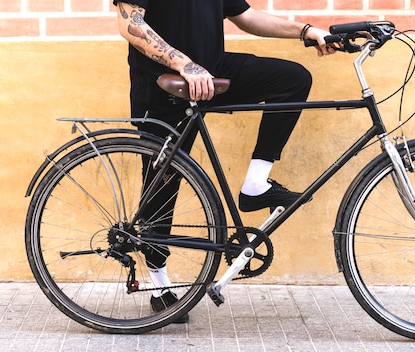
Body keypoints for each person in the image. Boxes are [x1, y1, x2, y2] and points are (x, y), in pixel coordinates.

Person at [113, 0, 336, 323]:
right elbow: (130, 25)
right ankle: (160, 287)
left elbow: (246, 17)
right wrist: (184, 64)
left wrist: (307, 31)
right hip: (163, 85)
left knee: (292, 78)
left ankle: (256, 184)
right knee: (160, 190)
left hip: (212, 73)